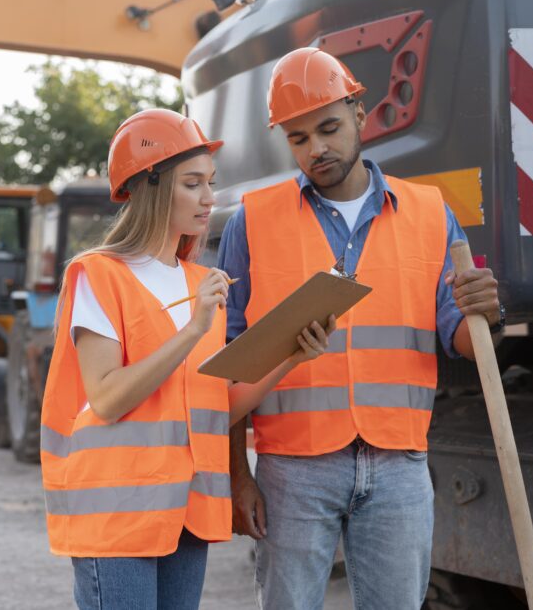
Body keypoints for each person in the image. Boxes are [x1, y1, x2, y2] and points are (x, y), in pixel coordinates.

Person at [217, 48, 504, 610]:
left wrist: (487, 312)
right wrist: (236, 475)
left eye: (327, 128)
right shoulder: (251, 222)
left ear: (359, 113)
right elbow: (228, 362)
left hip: (399, 463)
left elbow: (462, 336)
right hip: (291, 468)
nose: (316, 148)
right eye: (298, 139)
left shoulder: (430, 213)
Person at [40, 108, 335, 610]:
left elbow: (217, 404)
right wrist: (193, 329)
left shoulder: (201, 283)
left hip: (187, 511)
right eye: (192, 183)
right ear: (151, 188)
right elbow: (108, 398)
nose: (208, 198)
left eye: (210, 183)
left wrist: (291, 356)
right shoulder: (98, 275)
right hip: (117, 516)